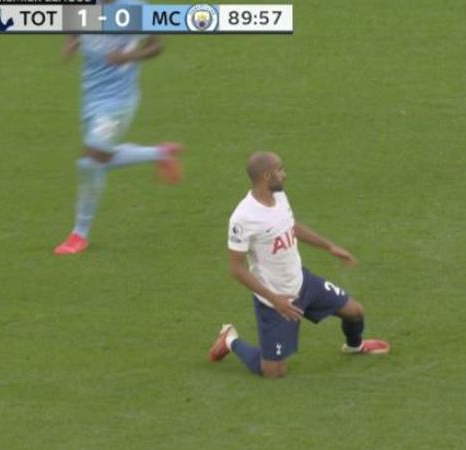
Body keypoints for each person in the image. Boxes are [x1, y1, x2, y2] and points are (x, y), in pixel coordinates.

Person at [208, 152, 390, 378]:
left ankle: (355, 346)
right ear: (266, 176)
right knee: (273, 372)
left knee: (355, 311)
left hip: (303, 282)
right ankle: (229, 339)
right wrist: (276, 301)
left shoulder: (279, 195)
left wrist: (329, 247)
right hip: (276, 300)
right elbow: (236, 268)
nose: (284, 174)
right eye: (280, 169)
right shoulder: (243, 218)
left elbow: (291, 226)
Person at [54, 0, 183, 255]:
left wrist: (128, 56)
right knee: (99, 158)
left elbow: (157, 45)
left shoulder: (135, 10)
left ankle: (79, 235)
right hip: (90, 97)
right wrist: (72, 41)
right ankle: (160, 153)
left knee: (90, 162)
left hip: (119, 102)